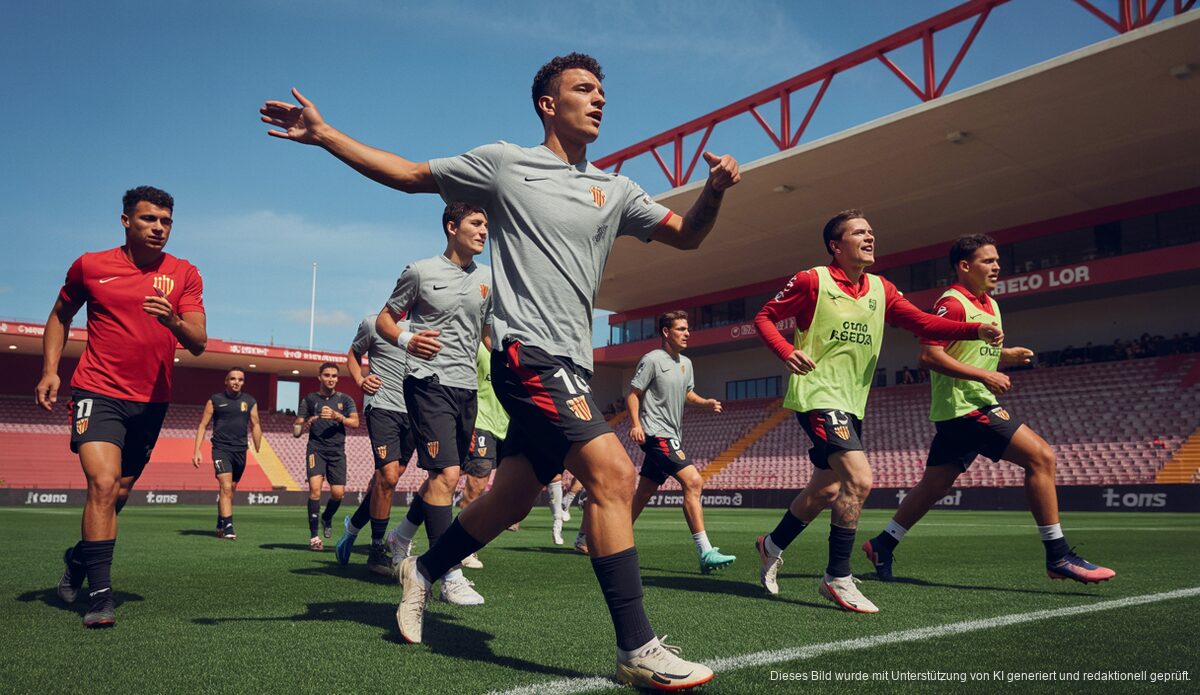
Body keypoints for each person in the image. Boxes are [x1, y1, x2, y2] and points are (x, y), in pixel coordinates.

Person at [261, 51, 739, 689]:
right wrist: (325, 136)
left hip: (573, 360)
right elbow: (408, 174)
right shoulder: (506, 164)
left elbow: (688, 236)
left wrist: (711, 193)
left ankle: (423, 571)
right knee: (615, 476)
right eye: (583, 89)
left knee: (509, 500)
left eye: (602, 91)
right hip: (527, 353)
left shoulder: (616, 189)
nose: (599, 99)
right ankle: (637, 647)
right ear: (549, 103)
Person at [752, 209, 1003, 613]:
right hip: (818, 394)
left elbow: (924, 322)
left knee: (827, 489)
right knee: (861, 479)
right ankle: (837, 576)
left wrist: (973, 329)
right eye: (858, 233)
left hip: (853, 402)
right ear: (836, 246)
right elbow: (764, 316)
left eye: (871, 232)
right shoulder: (811, 280)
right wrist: (786, 350)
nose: (869, 238)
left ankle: (772, 545)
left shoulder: (881, 289)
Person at [862, 234, 1115, 585]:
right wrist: (985, 374)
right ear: (965, 266)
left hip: (964, 410)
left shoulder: (991, 305)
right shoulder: (951, 303)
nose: (997, 266)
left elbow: (971, 350)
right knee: (1041, 457)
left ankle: (882, 544)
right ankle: (1058, 556)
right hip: (966, 407)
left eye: (997, 260)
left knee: (934, 485)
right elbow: (929, 355)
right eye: (988, 261)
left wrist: (1005, 355)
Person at [37, 186, 206, 628]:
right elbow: (60, 314)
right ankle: (101, 597)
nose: (159, 228)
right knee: (103, 484)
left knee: (120, 494)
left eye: (166, 222)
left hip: (152, 401)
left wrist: (172, 320)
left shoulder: (184, 273)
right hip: (97, 391)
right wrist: (51, 369)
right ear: (126, 221)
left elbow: (199, 343)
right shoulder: (91, 266)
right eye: (150, 219)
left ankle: (78, 560)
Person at [376, 202, 492, 606]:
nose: (483, 231)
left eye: (485, 225)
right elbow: (385, 320)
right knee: (447, 474)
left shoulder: (488, 280)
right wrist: (408, 340)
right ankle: (449, 573)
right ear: (451, 226)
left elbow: (489, 337)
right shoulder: (420, 271)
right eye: (476, 224)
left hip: (466, 389)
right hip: (427, 382)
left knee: (445, 480)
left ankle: (401, 536)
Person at [626, 310, 735, 573]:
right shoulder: (652, 360)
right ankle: (705, 551)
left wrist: (705, 402)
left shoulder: (686, 363)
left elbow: (688, 393)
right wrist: (636, 425)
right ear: (666, 332)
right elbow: (633, 394)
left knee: (644, 493)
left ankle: (610, 535)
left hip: (672, 434)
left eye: (688, 329)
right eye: (681, 329)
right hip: (656, 434)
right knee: (693, 481)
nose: (687, 334)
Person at [334, 312, 417, 575]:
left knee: (389, 478)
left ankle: (352, 528)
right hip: (382, 407)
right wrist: (360, 380)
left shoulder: (427, 325)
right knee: (389, 477)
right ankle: (376, 550)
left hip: (415, 413)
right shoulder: (374, 323)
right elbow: (353, 354)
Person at [455, 341, 511, 569]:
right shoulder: (478, 348)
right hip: (481, 422)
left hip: (509, 427)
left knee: (503, 490)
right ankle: (460, 547)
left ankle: (462, 536)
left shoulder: (517, 351)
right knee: (477, 482)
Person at [293, 362, 359, 550]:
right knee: (315, 490)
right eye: (327, 375)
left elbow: (355, 422)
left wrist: (338, 416)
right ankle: (314, 537)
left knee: (338, 494)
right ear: (320, 377)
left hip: (337, 452)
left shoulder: (345, 400)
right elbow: (296, 429)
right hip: (316, 449)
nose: (331, 379)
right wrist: (304, 423)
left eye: (334, 376)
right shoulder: (309, 400)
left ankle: (327, 517)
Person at [192, 367, 262, 540]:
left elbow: (256, 424)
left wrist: (257, 444)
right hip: (221, 449)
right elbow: (203, 425)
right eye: (233, 379)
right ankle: (229, 526)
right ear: (226, 381)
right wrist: (197, 450)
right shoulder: (215, 400)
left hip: (240, 451)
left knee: (231, 490)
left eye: (240, 379)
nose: (236, 382)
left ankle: (220, 521)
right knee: (226, 486)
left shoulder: (250, 401)